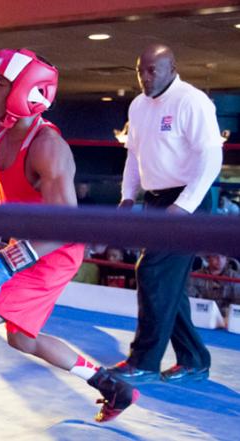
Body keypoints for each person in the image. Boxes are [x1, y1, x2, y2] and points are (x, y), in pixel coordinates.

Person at [0, 48, 138, 440]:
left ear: (26, 92)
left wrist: (11, 258)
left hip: (54, 250)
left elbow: (68, 225)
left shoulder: (47, 147)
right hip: (27, 245)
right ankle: (110, 386)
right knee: (20, 337)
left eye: (0, 84)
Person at [109, 44, 223, 384]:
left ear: (172, 67)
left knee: (152, 274)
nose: (145, 77)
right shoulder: (138, 105)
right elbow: (133, 156)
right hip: (156, 201)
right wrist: (128, 196)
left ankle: (143, 360)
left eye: (152, 70)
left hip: (187, 202)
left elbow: (211, 158)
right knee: (167, 284)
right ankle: (194, 359)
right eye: (140, 70)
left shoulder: (192, 101)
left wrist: (184, 206)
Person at [188, 253, 240, 318]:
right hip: (200, 315)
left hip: (227, 318)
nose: (219, 260)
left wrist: (221, 313)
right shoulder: (195, 276)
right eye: (215, 256)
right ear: (208, 258)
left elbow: (237, 304)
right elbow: (190, 299)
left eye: (223, 256)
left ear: (226, 259)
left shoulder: (236, 278)